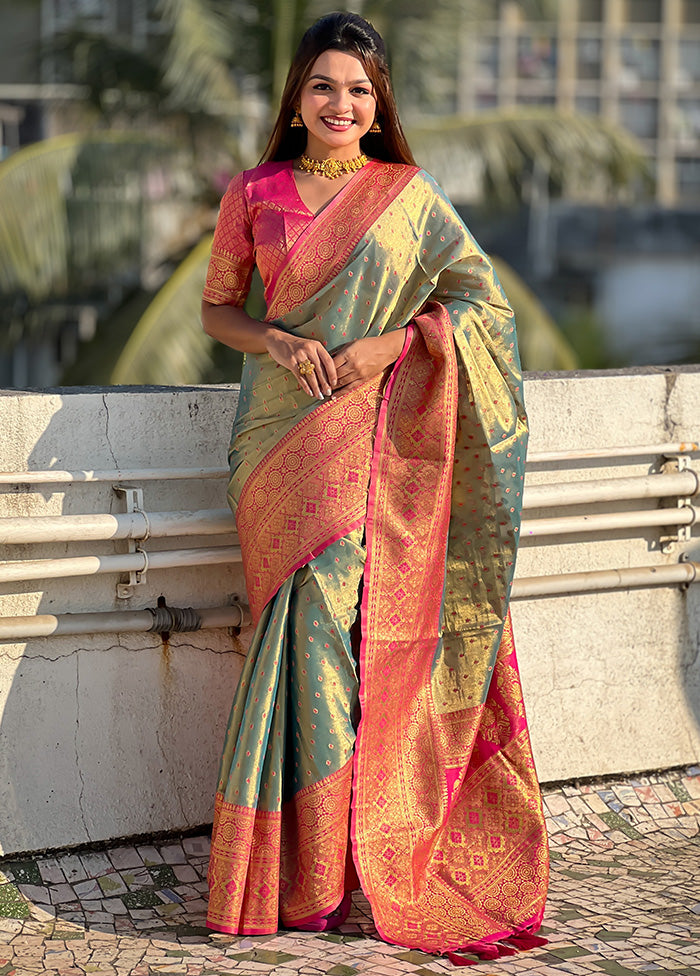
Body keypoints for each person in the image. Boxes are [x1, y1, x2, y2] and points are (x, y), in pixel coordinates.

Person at [201, 11, 549, 963]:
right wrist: (274, 338)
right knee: (302, 628)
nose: (340, 104)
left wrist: (385, 346)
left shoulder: (409, 196)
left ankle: (346, 869)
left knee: (348, 634)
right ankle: (300, 871)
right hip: (276, 441)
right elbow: (217, 308)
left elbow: (483, 305)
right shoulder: (256, 191)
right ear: (296, 99)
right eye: (322, 87)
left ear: (379, 102)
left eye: (358, 89)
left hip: (372, 438)